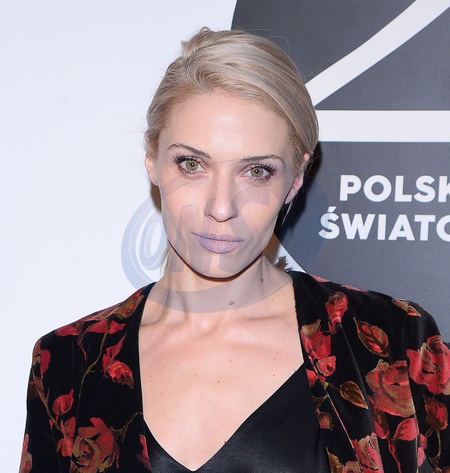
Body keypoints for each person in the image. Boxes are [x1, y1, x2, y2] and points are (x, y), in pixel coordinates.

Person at [20, 27, 450, 473]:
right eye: (192, 164)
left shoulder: (393, 342)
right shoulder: (68, 363)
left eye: (257, 172)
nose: (221, 207)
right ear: (152, 161)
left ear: (295, 179)